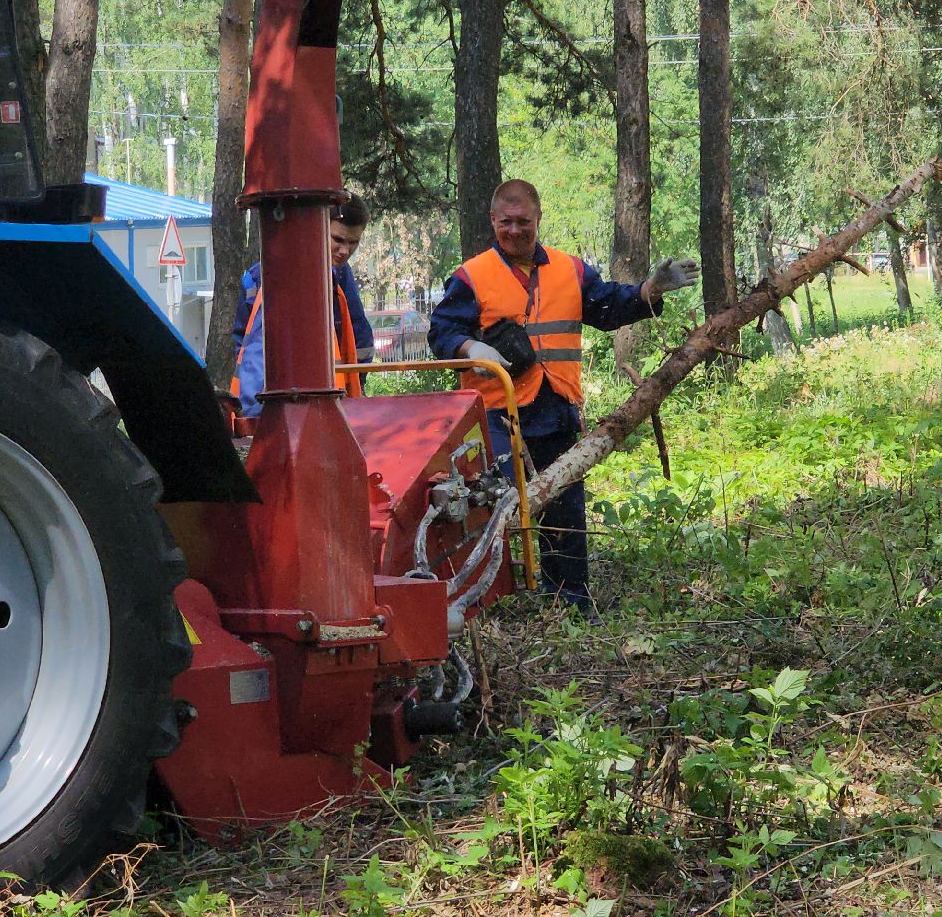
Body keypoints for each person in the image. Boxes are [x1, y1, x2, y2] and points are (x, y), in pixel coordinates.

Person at [428, 178, 699, 608]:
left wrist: (650, 290)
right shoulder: (471, 276)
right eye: (506, 222)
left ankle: (569, 601)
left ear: (538, 219)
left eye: (523, 222)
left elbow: (607, 306)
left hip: (555, 408)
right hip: (497, 413)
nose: (514, 231)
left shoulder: (570, 270)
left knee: (565, 507)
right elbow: (441, 332)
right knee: (490, 505)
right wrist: (469, 347)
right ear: (492, 220)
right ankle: (482, 603)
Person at [230, 195, 376, 416]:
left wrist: (357, 387)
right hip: (282, 408)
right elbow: (251, 348)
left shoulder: (340, 275)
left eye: (353, 243)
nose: (345, 251)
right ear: (315, 228)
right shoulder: (270, 277)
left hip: (330, 405)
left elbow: (357, 336)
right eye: (338, 239)